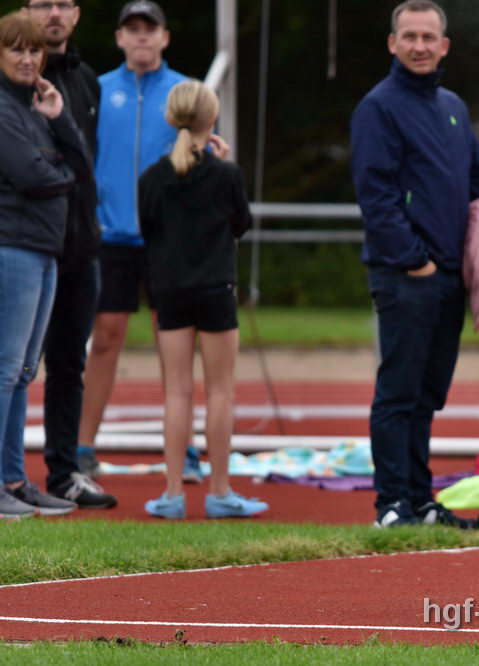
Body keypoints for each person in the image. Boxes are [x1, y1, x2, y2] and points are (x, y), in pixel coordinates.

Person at [350, 0, 479, 528]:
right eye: (409, 35)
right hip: (406, 275)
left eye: (429, 36)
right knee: (398, 392)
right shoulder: (378, 106)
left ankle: (419, 500)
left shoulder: (453, 106)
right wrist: (415, 261)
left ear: (444, 46)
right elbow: (376, 195)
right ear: (393, 43)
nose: (419, 45)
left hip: (448, 276)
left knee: (425, 396)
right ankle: (392, 503)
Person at [78, 0, 203, 482]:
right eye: (132, 30)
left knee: (172, 342)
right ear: (119, 38)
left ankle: (186, 449)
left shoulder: (184, 92)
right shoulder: (97, 89)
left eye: (150, 30)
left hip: (168, 238)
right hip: (110, 235)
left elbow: (203, 157)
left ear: (165, 37)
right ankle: (84, 445)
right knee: (105, 337)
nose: (142, 38)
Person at [138, 80, 265, 519]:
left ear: (172, 118)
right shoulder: (226, 174)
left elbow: (147, 230)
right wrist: (223, 165)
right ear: (211, 120)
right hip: (215, 291)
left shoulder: (152, 177)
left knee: (176, 393)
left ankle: (173, 494)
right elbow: (241, 224)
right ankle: (220, 491)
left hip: (170, 292)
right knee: (219, 394)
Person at [23, 0, 117, 509]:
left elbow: (87, 162)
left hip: (81, 244)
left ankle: (64, 472)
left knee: (67, 364)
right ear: (26, 10)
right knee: (14, 365)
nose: (53, 13)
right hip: (25, 241)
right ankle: (8, 475)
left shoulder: (86, 80)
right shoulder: (11, 78)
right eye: (43, 4)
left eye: (62, 4)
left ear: (76, 14)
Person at [0, 11, 89, 517]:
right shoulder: (2, 108)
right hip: (12, 246)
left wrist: (62, 119)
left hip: (44, 248)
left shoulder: (34, 106)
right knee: (7, 367)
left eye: (34, 51)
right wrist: (58, 170)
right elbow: (33, 175)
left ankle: (14, 479)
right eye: (17, 49)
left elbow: (79, 166)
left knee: (24, 372)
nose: (29, 58)